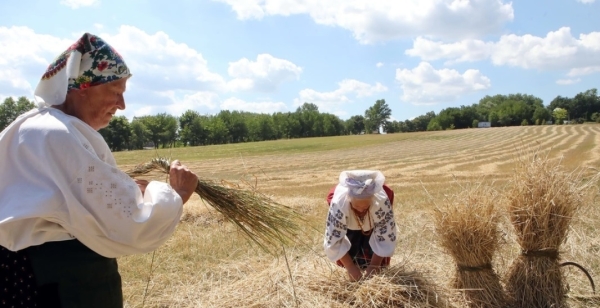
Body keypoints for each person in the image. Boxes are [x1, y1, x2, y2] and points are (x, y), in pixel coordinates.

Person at [0, 33, 198, 307]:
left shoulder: (27, 127)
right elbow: (130, 223)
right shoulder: (57, 134)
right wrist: (176, 194)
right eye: (116, 91)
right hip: (65, 281)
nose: (122, 105)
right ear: (83, 86)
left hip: (23, 276)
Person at [323, 170, 397, 281]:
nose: (361, 210)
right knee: (351, 265)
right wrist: (350, 267)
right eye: (357, 207)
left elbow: (385, 234)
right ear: (349, 201)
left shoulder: (380, 202)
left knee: (377, 269)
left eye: (365, 207)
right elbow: (334, 239)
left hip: (373, 228)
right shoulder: (339, 204)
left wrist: (374, 266)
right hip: (348, 229)